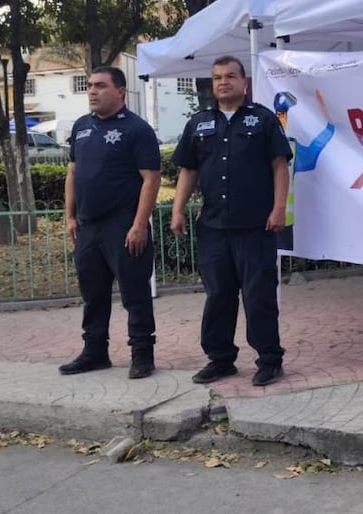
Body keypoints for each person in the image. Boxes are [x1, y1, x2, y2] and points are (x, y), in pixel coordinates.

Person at [171, 55, 292, 387]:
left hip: (255, 227)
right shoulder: (198, 123)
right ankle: (220, 359)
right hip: (213, 228)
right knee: (218, 296)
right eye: (217, 77)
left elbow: (279, 166)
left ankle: (269, 359)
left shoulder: (263, 120)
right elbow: (188, 170)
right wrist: (177, 209)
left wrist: (279, 207)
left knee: (258, 296)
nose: (223, 82)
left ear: (244, 83)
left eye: (230, 76)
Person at [61, 66, 162, 379]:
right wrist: (70, 216)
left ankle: (142, 354)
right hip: (88, 226)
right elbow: (73, 173)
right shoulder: (81, 127)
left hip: (123, 224)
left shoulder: (137, 129)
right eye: (90, 86)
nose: (92, 91)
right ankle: (94, 352)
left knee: (135, 293)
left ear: (120, 91)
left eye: (100, 86)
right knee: (93, 293)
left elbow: (151, 178)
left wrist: (139, 224)